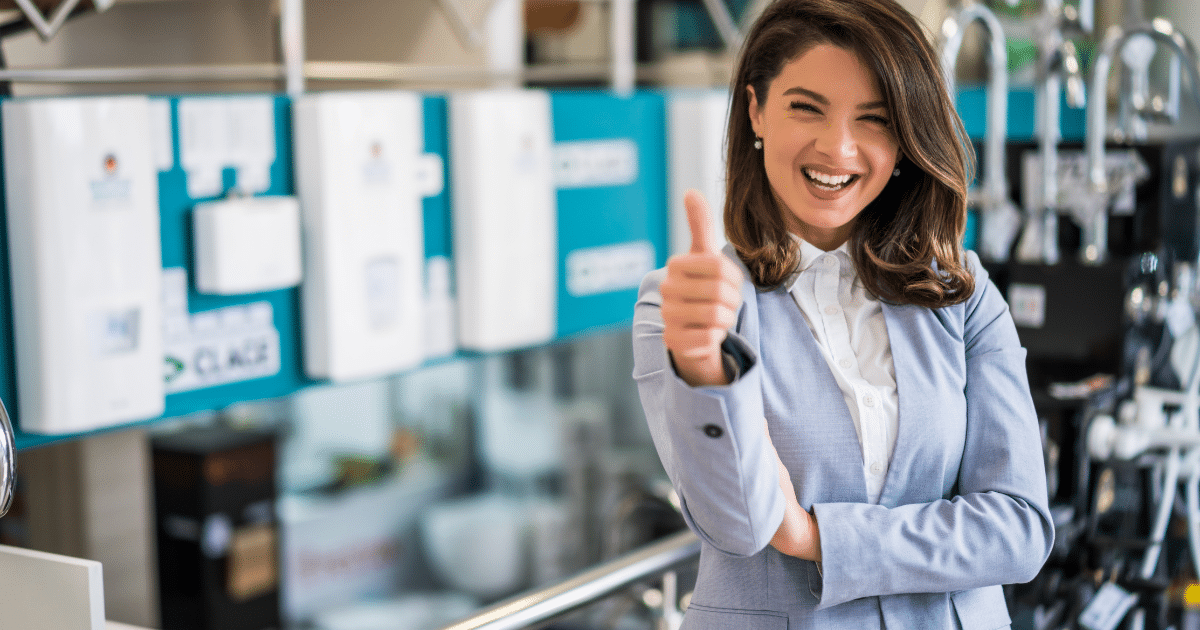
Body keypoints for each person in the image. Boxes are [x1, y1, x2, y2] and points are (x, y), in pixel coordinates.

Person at [632, 0, 1054, 627]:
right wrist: (706, 372)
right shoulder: (692, 307)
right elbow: (742, 523)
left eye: (875, 119)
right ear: (756, 111)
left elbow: (1018, 530)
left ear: (907, 138)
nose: (838, 148)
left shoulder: (961, 295)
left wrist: (816, 538)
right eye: (806, 107)